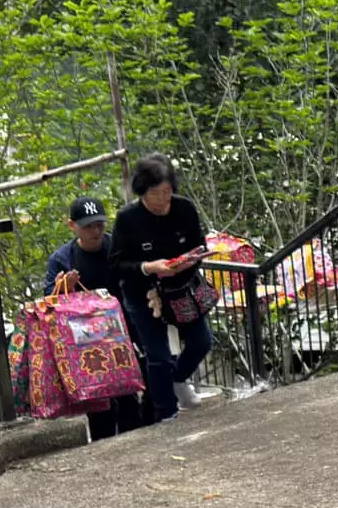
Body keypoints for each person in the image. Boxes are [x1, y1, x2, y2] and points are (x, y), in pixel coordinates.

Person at [110, 155, 214, 424]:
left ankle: (178, 379)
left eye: (167, 192)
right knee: (158, 356)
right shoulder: (127, 219)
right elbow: (117, 263)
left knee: (201, 341)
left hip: (181, 287)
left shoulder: (184, 208)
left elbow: (199, 246)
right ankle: (166, 413)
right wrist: (149, 268)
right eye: (155, 193)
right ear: (142, 191)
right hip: (143, 293)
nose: (162, 199)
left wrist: (185, 264)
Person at [42, 194, 146, 439]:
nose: (95, 232)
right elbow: (49, 302)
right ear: (72, 226)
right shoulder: (63, 259)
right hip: (87, 341)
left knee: (129, 394)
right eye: (88, 226)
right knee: (99, 403)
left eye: (99, 225)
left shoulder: (117, 248)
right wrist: (64, 287)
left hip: (123, 332)